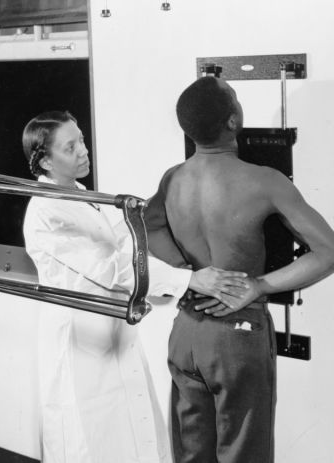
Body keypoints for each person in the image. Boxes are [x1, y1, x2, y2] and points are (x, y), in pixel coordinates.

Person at [21, 111, 249, 463]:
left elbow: (129, 250)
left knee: (131, 436)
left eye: (81, 139)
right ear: (47, 161)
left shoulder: (85, 196)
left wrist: (181, 266)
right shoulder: (44, 212)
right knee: (90, 442)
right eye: (71, 147)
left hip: (114, 330)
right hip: (80, 339)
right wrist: (188, 279)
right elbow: (110, 268)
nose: (83, 150)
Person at [145, 76, 334, 463]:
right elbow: (328, 251)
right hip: (237, 336)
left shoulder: (173, 178)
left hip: (187, 332)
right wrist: (259, 286)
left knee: (191, 455)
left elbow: (148, 225)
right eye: (233, 96)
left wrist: (188, 274)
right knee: (243, 455)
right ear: (232, 121)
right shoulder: (265, 182)